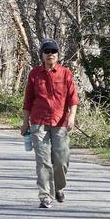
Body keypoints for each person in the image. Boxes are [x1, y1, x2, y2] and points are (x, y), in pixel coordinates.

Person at [22, 39, 79, 208]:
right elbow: (28, 100)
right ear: (42, 55)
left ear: (58, 54)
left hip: (60, 121)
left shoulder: (65, 73)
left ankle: (59, 188)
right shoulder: (35, 74)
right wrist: (25, 122)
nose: (50, 55)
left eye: (53, 52)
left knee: (61, 160)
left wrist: (72, 117)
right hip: (38, 121)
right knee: (43, 160)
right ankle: (45, 195)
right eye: (47, 51)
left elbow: (73, 98)